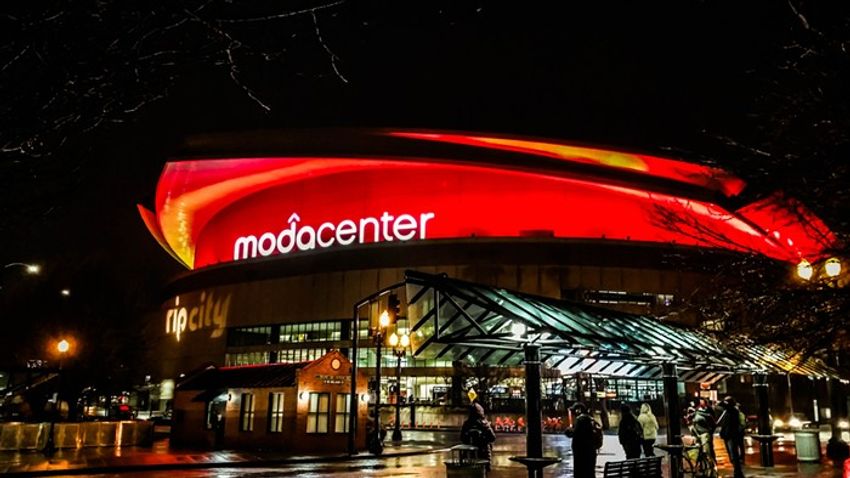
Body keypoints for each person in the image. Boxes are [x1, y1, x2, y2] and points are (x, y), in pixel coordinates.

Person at [567, 402, 602, 478]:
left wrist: (570, 430)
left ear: (578, 411)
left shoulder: (581, 420)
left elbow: (575, 433)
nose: (573, 414)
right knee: (590, 472)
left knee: (581, 473)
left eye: (574, 411)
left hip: (581, 453)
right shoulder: (590, 419)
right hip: (591, 451)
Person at [460, 402, 496, 470]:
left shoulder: (467, 424)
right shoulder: (484, 424)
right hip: (483, 456)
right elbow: (492, 438)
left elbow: (462, 438)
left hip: (470, 457)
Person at [718, 397, 745, 478]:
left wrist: (723, 402)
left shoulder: (733, 411)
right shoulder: (727, 411)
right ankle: (737, 472)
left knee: (734, 455)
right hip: (727, 435)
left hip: (731, 436)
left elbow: (721, 404)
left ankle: (738, 472)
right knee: (732, 455)